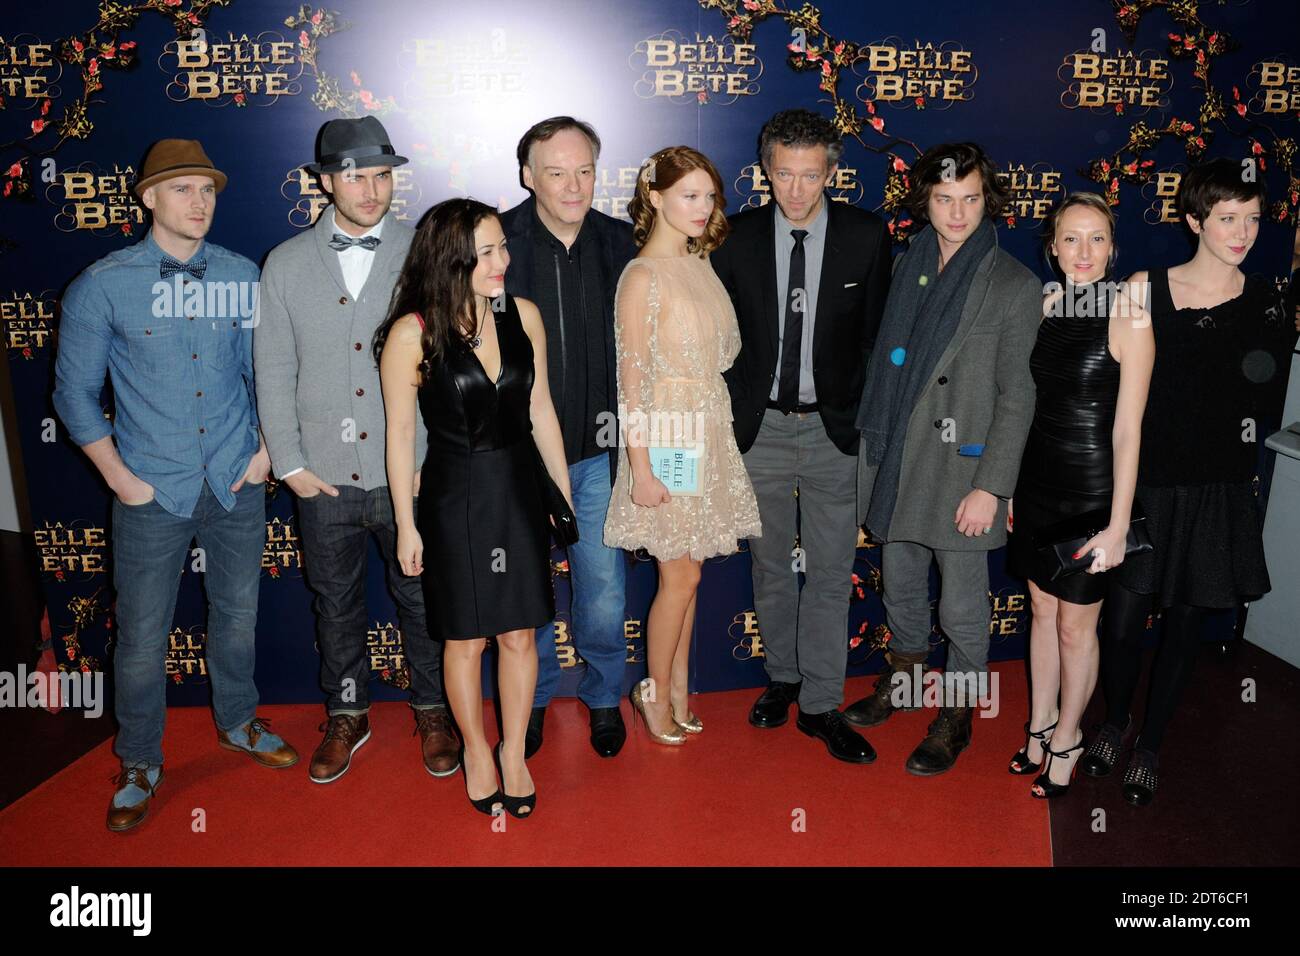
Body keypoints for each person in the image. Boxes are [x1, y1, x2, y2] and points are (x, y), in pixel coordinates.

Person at [52, 139, 297, 832]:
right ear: (148, 197)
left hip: (235, 482)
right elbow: (72, 395)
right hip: (150, 492)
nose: (200, 202)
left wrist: (266, 454)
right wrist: (121, 480)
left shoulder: (246, 276)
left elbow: (272, 377)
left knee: (239, 618)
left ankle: (240, 722)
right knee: (139, 638)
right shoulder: (102, 284)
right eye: (184, 189)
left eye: (209, 190)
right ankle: (138, 760)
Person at [1082, 158, 1298, 806]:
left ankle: (1150, 744)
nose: (1242, 232)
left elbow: (1262, 402)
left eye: (1253, 219)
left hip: (1216, 492)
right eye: (1227, 218)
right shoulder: (1143, 291)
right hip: (1144, 488)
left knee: (1183, 628)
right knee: (1120, 626)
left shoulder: (1269, 304)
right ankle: (1115, 722)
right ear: (1194, 220)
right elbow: (1117, 408)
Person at [253, 116, 456, 784]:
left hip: (414, 474)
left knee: (424, 598)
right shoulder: (283, 265)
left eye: (381, 174)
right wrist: (291, 464)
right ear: (323, 181)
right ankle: (348, 713)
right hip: (324, 479)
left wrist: (436, 457)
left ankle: (432, 709)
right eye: (353, 175)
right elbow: (274, 369)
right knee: (334, 603)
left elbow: (449, 359)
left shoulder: (424, 252)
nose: (370, 190)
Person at [376, 198, 571, 818]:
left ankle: (514, 751)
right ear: (450, 259)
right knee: (464, 641)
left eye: (502, 248)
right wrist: (407, 525)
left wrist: (563, 499)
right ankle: (478, 751)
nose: (501, 262)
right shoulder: (412, 333)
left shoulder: (525, 316)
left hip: (517, 491)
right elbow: (401, 437)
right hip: (453, 498)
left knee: (519, 634)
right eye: (485, 252)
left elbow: (540, 411)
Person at [854, 142, 1041, 775]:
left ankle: (957, 714)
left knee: (962, 607)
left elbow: (1019, 397)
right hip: (899, 460)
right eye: (943, 198)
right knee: (901, 583)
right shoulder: (910, 265)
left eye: (969, 198)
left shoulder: (1014, 284)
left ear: (987, 200)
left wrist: (992, 486)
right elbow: (888, 365)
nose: (957, 213)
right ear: (924, 201)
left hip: (964, 471)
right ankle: (904, 684)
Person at [711, 109, 891, 763]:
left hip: (831, 433)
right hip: (759, 432)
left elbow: (876, 342)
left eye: (810, 175)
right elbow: (720, 344)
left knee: (831, 574)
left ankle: (820, 704)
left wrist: (864, 422)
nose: (795, 189)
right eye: (783, 173)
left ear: (832, 172)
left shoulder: (867, 237)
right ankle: (782, 680)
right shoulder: (735, 238)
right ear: (766, 169)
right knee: (769, 568)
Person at [603, 145, 762, 745]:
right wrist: (641, 467)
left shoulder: (700, 261)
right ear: (655, 196)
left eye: (709, 196)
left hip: (706, 423)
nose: (702, 208)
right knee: (680, 576)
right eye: (688, 195)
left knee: (689, 570)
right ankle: (652, 690)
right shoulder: (641, 276)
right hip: (668, 428)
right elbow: (632, 379)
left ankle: (673, 689)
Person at [1004, 193, 1154, 798]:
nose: (1083, 252)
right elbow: (1024, 405)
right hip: (1037, 483)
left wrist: (1119, 524)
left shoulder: (1130, 312)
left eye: (1097, 239)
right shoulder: (1044, 304)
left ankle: (1067, 737)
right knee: (1041, 612)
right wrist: (1011, 486)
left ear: (1113, 248)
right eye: (1071, 238)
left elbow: (1128, 428)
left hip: (1093, 492)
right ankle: (1039, 725)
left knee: (1075, 627)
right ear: (1053, 246)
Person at [498, 118, 638, 759]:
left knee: (605, 595)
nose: (573, 185)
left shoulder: (626, 243)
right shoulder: (497, 245)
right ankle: (528, 701)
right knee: (524, 595)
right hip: (513, 457)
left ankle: (606, 697)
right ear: (529, 176)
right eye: (555, 172)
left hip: (602, 453)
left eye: (584, 170)